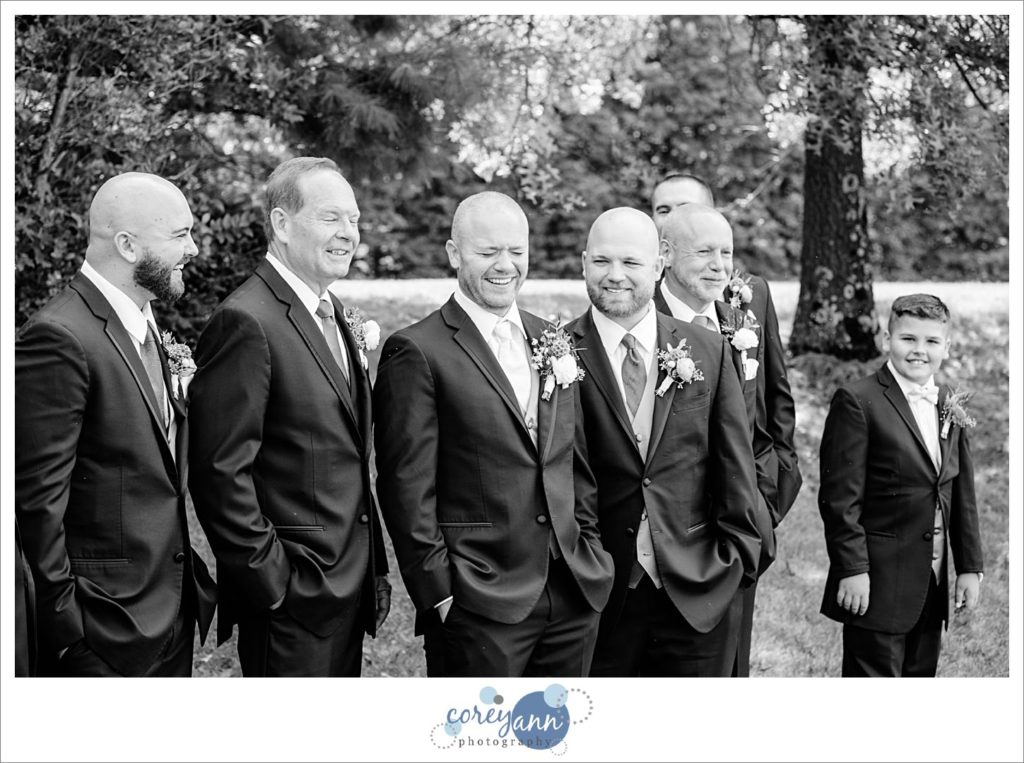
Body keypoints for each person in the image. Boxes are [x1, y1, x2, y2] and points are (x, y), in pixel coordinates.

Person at [373, 191, 614, 677]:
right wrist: (440, 593)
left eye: (517, 251)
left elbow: (574, 462)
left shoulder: (554, 338)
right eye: (488, 252)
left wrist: (589, 546)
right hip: (478, 600)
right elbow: (405, 487)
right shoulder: (417, 351)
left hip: (571, 591)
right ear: (454, 253)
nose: (505, 265)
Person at [188, 157, 390, 677]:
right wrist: (273, 582)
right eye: (330, 219)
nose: (349, 234)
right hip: (293, 600)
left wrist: (374, 572)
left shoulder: (330, 311)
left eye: (354, 220)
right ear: (281, 224)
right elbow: (219, 473)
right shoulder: (246, 321)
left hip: (345, 589)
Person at [15, 172, 216, 676]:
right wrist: (69, 631)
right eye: (180, 235)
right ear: (127, 245)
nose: (193, 248)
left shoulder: (144, 324)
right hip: (103, 631)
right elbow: (36, 504)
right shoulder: (59, 337)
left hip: (169, 612)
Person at [570, 207, 762, 676]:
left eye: (631, 262)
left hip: (699, 591)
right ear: (583, 264)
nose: (615, 276)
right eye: (601, 262)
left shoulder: (709, 350)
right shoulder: (558, 351)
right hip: (598, 597)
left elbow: (734, 466)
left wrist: (737, 563)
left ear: (658, 265)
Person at [652, 172, 802, 676]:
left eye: (685, 208)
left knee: (729, 658)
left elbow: (775, 398)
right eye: (662, 211)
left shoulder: (746, 301)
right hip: (669, 523)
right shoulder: (636, 306)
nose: (672, 218)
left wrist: (769, 494)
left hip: (744, 516)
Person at [818, 294, 983, 677]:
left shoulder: (947, 402)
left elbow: (961, 491)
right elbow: (840, 499)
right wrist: (852, 569)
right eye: (908, 339)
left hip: (931, 580)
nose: (919, 351)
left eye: (931, 341)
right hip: (876, 580)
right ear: (885, 339)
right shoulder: (858, 401)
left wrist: (970, 567)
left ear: (947, 346)